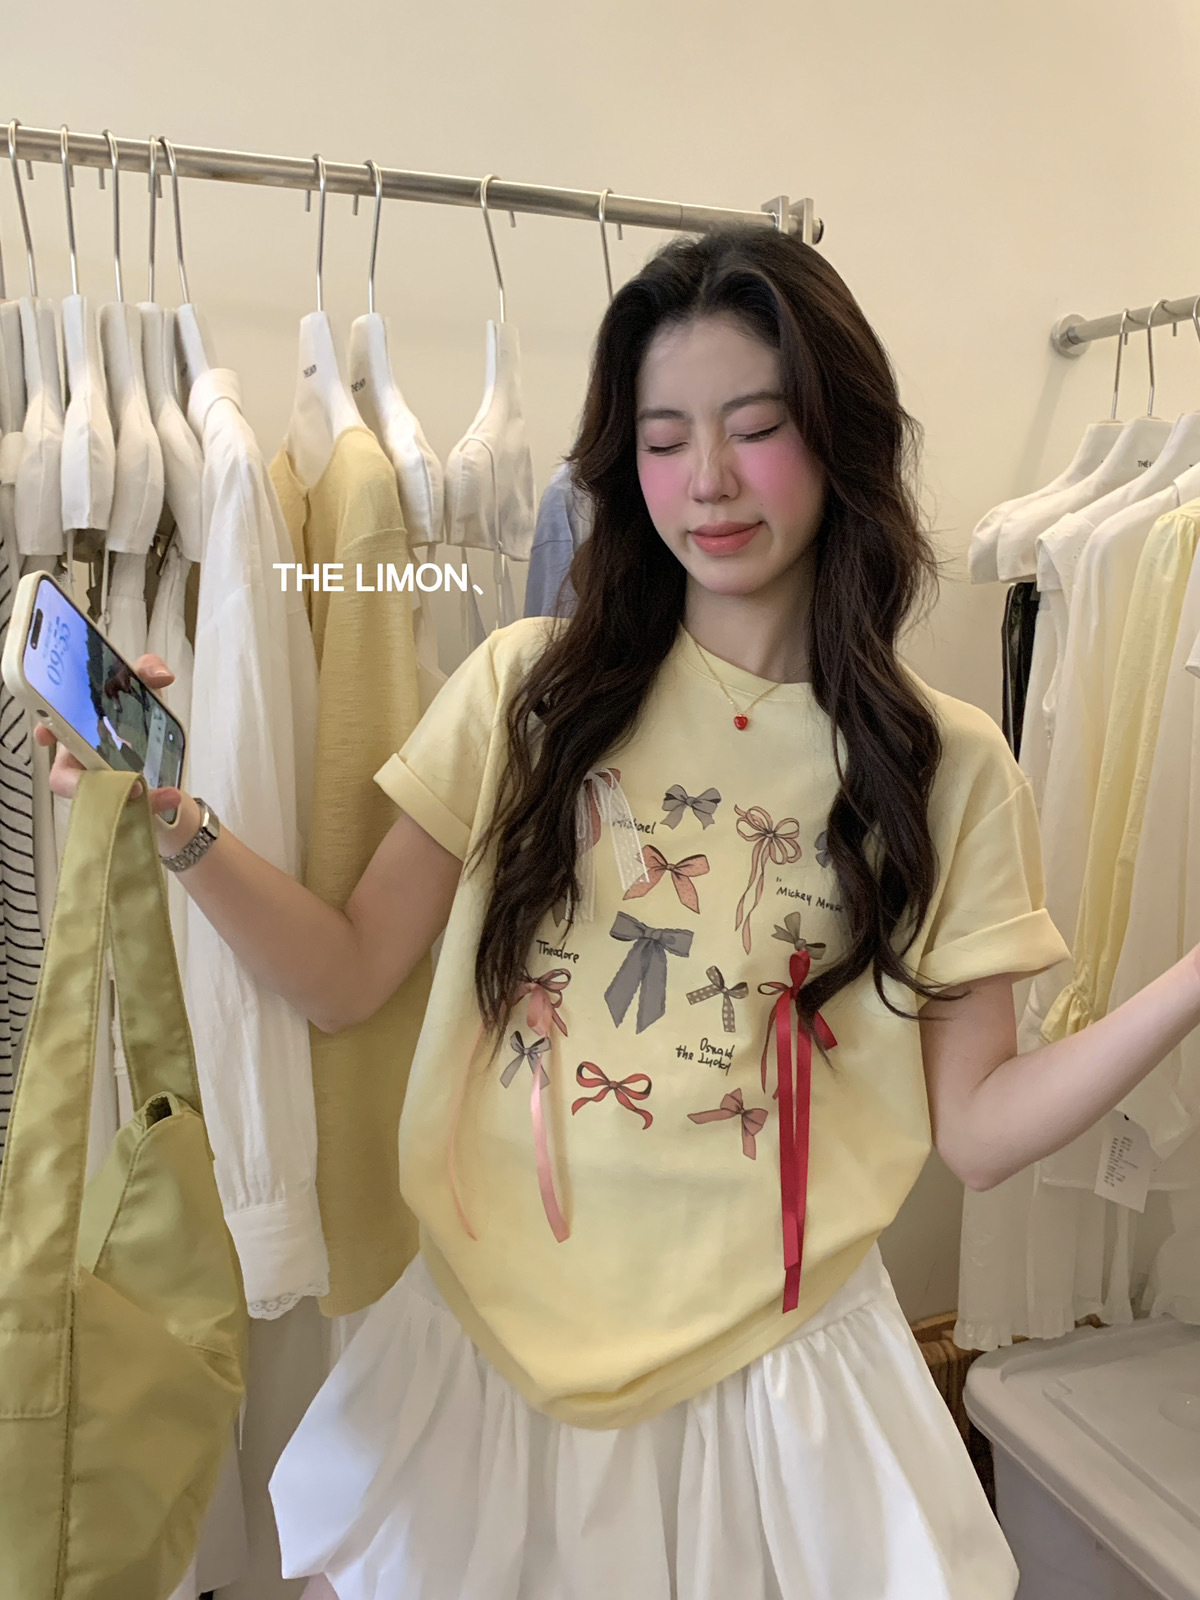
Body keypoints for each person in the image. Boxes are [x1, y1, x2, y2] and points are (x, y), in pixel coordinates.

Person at [42, 228, 1200, 1600]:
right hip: (485, 1352)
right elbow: (346, 975)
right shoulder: (527, 692)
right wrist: (177, 823)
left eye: (755, 429)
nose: (707, 480)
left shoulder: (943, 769)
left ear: (841, 438)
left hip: (766, 1383)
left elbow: (981, 1129)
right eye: (663, 439)